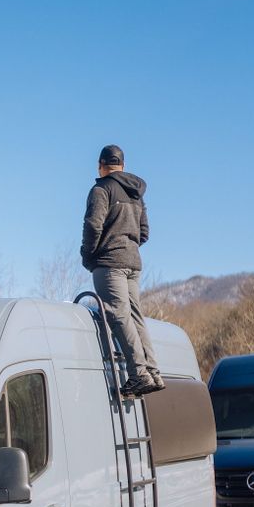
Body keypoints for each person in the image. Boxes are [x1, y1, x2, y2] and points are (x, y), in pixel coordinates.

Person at [80, 144, 164, 397]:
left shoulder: (101, 189)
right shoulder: (136, 193)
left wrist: (89, 254)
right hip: (133, 262)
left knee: (119, 315)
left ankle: (139, 375)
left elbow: (93, 225)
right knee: (135, 316)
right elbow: (145, 232)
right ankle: (153, 372)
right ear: (123, 166)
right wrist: (128, 245)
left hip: (109, 263)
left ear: (100, 165)